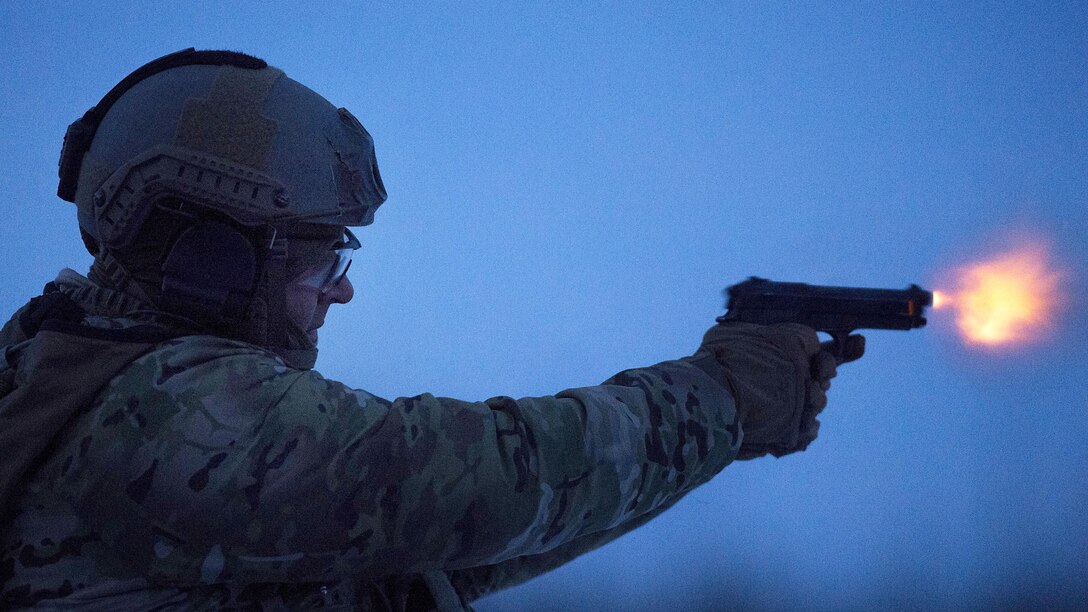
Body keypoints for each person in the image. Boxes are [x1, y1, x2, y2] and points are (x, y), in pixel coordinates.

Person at [0, 49, 863, 611]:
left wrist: (722, 424)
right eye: (316, 258)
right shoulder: (168, 414)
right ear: (212, 258)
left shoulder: (79, 373)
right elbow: (482, 481)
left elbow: (457, 544)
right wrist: (720, 398)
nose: (338, 295)